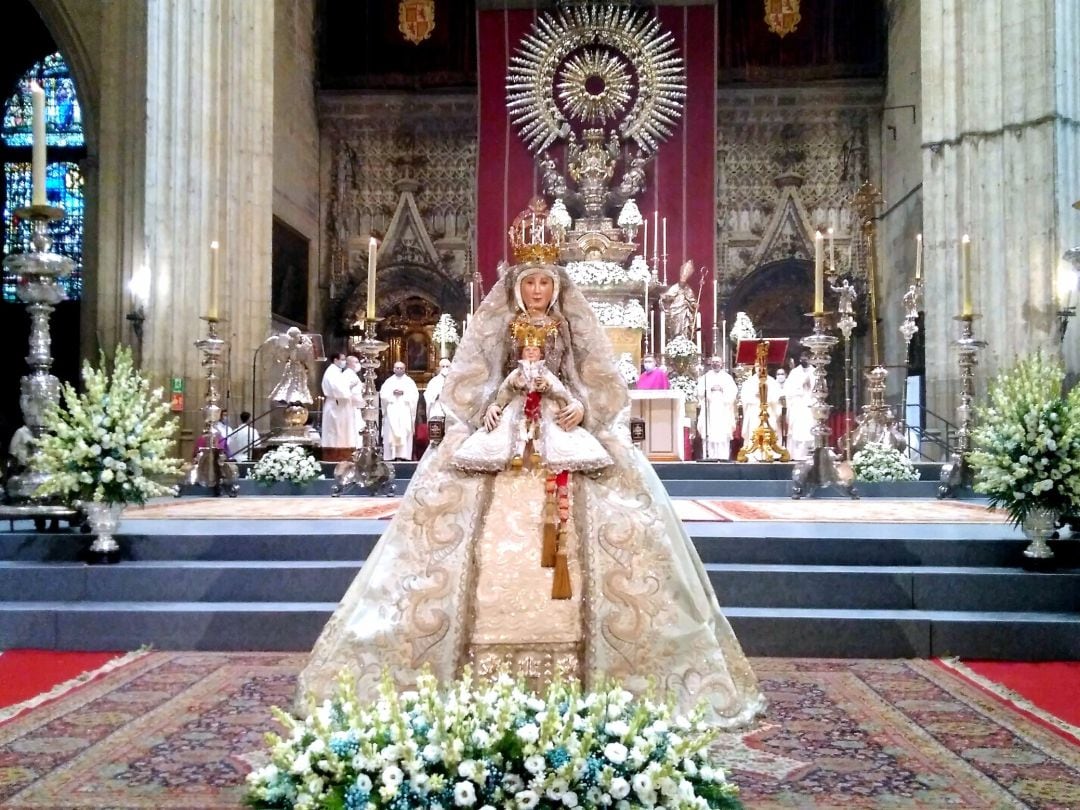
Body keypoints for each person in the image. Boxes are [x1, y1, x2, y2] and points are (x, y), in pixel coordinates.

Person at [297, 256, 765, 729]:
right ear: (517, 289)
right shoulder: (503, 326)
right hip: (505, 432)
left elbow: (593, 380)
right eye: (531, 283)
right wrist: (490, 407)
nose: (538, 290)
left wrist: (579, 408)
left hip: (561, 430)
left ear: (556, 288)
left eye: (545, 282)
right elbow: (477, 377)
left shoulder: (565, 327)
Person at [452, 330, 612, 473]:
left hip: (544, 410)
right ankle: (517, 454)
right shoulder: (516, 373)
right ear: (521, 353)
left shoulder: (546, 373)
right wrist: (502, 399)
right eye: (527, 350)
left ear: (541, 354)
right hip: (518, 409)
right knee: (516, 431)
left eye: (534, 350)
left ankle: (537, 452)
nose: (530, 353)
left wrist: (549, 388)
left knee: (546, 433)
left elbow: (561, 392)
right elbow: (504, 392)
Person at [696, 356, 738, 460]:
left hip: (723, 408)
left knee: (723, 434)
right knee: (709, 433)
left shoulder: (727, 377)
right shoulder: (705, 377)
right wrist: (710, 390)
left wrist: (721, 389)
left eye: (718, 362)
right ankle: (709, 456)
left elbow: (733, 392)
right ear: (710, 364)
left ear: (722, 363)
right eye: (713, 362)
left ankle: (723, 456)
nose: (715, 364)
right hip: (709, 408)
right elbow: (699, 392)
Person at [320, 353, 357, 461]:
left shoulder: (337, 372)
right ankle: (334, 456)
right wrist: (350, 386)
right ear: (335, 360)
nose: (344, 362)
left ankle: (344, 454)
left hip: (340, 405)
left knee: (342, 431)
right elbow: (339, 390)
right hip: (336, 405)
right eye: (343, 359)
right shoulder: (332, 372)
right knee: (335, 431)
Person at [379, 361, 419, 461]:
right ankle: (391, 456)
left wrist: (404, 394)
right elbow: (383, 395)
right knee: (391, 432)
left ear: (404, 369)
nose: (399, 370)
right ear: (393, 369)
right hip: (392, 410)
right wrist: (392, 394)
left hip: (404, 410)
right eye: (397, 368)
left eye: (401, 368)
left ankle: (404, 456)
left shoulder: (409, 382)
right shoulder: (388, 382)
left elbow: (414, 396)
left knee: (404, 432)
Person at [739, 365, 783, 445]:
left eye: (761, 366)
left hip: (768, 410)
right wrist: (755, 395)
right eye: (757, 366)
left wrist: (765, 395)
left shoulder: (772, 381)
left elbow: (776, 397)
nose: (759, 368)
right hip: (754, 411)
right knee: (754, 432)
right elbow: (745, 397)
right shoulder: (749, 382)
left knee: (769, 432)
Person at [784, 353, 816, 460]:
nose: (804, 360)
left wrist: (810, 385)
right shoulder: (794, 373)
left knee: (810, 430)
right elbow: (788, 390)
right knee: (798, 430)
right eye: (802, 358)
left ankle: (810, 454)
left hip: (810, 405)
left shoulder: (815, 372)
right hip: (797, 405)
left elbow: (820, 389)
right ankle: (796, 455)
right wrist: (801, 386)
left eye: (806, 358)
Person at [659, 259, 698, 342]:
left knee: (685, 326)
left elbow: (692, 300)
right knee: (674, 328)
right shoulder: (674, 287)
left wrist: (694, 304)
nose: (683, 278)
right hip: (674, 312)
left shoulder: (688, 289)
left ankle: (685, 340)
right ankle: (675, 339)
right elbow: (666, 298)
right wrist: (667, 298)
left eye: (685, 277)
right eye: (682, 276)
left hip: (685, 312)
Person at [346, 355, 366, 448]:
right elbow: (346, 391)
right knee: (353, 430)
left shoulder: (353, 374)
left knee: (357, 429)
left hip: (355, 407)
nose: (358, 364)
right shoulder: (348, 374)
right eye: (356, 362)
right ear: (348, 363)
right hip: (351, 407)